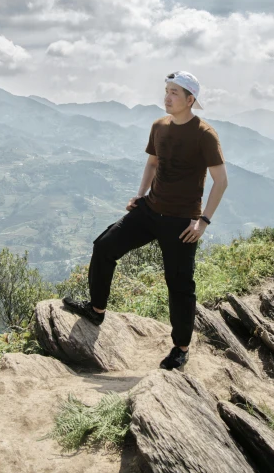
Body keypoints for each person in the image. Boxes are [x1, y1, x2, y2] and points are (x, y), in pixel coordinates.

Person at [63, 71, 228, 370]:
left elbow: (221, 181)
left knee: (179, 284)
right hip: (150, 210)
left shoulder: (205, 134)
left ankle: (181, 348)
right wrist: (139, 196)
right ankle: (96, 309)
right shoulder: (159, 126)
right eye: (166, 90)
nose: (167, 97)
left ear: (190, 99)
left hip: (182, 222)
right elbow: (153, 162)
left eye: (174, 92)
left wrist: (202, 221)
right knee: (104, 246)